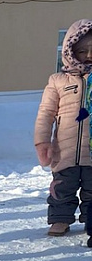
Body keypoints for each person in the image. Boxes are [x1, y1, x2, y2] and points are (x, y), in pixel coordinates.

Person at [34, 20, 92, 241]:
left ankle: (90, 219)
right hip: (65, 151)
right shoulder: (58, 81)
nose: (88, 56)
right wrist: (42, 142)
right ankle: (60, 218)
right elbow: (45, 113)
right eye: (82, 51)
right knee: (62, 187)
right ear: (70, 51)